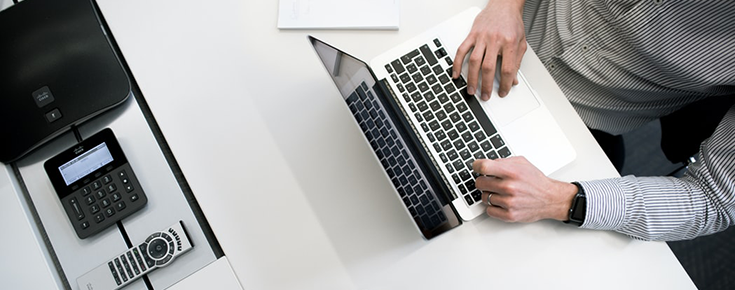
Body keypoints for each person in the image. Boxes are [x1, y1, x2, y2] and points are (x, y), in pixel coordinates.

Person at [452, 0, 735, 241]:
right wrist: (505, 6)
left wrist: (560, 199)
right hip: (489, 18)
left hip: (572, 123)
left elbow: (713, 199)